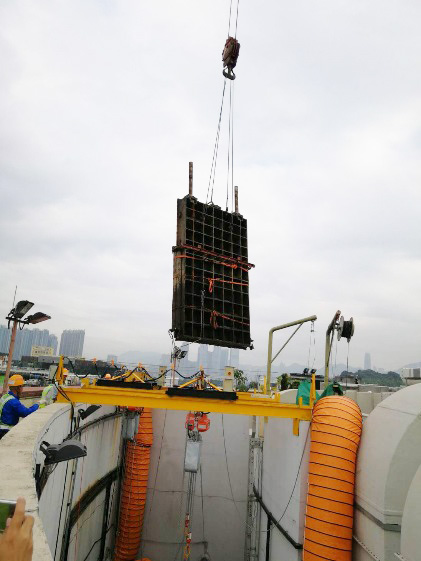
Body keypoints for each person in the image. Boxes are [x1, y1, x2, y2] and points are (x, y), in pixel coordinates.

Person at [0, 375, 39, 440]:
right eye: (22, 386)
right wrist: (37, 405)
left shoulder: (5, 396)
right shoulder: (13, 402)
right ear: (18, 387)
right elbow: (26, 413)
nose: (22, 389)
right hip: (5, 431)